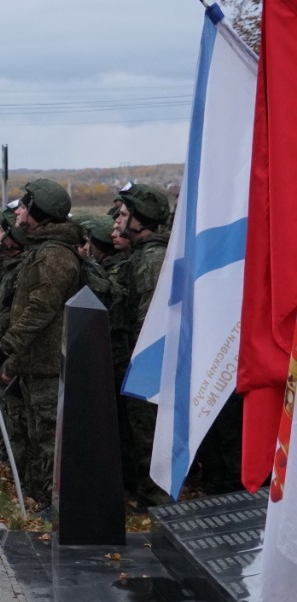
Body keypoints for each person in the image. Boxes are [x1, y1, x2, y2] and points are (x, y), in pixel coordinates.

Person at [0, 179, 83, 510]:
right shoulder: (41, 250)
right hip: (34, 363)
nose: (19, 212)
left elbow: (40, 311)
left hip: (49, 365)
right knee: (38, 438)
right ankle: (40, 500)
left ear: (38, 213)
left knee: (49, 440)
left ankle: (58, 508)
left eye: (25, 206)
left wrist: (3, 351)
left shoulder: (54, 256)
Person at [114, 183, 171, 506]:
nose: (119, 220)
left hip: (148, 363)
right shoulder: (139, 257)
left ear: (140, 219)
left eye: (124, 213)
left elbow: (150, 320)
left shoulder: (152, 260)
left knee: (148, 434)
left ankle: (156, 501)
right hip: (139, 362)